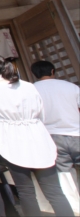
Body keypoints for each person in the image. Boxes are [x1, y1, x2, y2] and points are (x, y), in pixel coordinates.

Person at [0, 55, 73, 216]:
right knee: (55, 192)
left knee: (26, 192)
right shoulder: (29, 86)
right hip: (38, 137)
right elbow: (41, 113)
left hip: (13, 140)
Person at [32, 60, 80, 188]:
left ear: (34, 74)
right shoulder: (71, 86)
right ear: (53, 71)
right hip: (76, 132)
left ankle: (74, 204)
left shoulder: (31, 90)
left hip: (51, 136)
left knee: (65, 174)